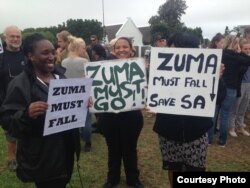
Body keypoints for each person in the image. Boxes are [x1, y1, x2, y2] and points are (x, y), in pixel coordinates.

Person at [0, 33, 80, 188]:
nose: (51, 56)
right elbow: (8, 121)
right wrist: (26, 114)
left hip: (65, 149)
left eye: (53, 51)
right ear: (30, 56)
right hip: (42, 155)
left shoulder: (61, 78)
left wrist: (81, 102)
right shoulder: (20, 84)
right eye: (45, 53)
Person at [152, 32, 214, 188]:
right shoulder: (161, 68)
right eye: (172, 49)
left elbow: (220, 96)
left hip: (196, 132)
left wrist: (217, 79)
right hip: (169, 131)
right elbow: (154, 93)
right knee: (173, 167)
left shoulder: (206, 70)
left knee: (196, 169)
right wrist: (152, 101)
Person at [98, 37, 144, 188]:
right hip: (109, 117)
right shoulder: (102, 68)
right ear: (113, 50)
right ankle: (112, 179)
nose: (121, 50)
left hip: (131, 116)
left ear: (131, 50)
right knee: (113, 149)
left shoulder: (139, 67)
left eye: (125, 47)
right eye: (118, 47)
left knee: (130, 149)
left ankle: (133, 179)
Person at [0, 25, 27, 171]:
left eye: (18, 36)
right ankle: (12, 158)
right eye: (12, 36)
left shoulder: (27, 55)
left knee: (28, 130)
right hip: (7, 103)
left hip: (27, 101)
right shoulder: (1, 58)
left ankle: (26, 156)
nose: (16, 39)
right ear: (5, 38)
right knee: (10, 133)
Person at [61, 35, 93, 152]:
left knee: (73, 117)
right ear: (78, 48)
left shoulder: (64, 62)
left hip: (69, 93)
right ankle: (87, 142)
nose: (84, 51)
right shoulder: (84, 61)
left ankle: (75, 140)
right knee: (86, 119)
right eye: (83, 48)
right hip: (83, 92)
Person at [229, 38, 250, 137]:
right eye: (245, 48)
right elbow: (240, 71)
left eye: (249, 48)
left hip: (248, 84)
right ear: (241, 49)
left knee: (243, 107)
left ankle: (240, 126)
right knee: (235, 107)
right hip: (240, 84)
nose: (248, 50)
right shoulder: (240, 58)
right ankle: (232, 127)